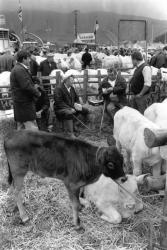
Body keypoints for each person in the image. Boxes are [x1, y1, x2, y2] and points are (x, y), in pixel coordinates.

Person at [10, 50, 41, 130]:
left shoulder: (18, 68)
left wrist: (33, 78)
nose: (30, 60)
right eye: (28, 58)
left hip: (21, 104)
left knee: (21, 131)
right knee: (32, 131)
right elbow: (26, 86)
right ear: (24, 59)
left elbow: (23, 82)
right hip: (25, 104)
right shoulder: (19, 70)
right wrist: (37, 93)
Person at [54, 72, 89, 137]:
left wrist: (77, 104)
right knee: (69, 113)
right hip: (61, 108)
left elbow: (76, 98)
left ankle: (75, 125)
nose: (73, 82)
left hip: (72, 107)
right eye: (71, 80)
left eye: (73, 80)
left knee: (85, 110)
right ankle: (71, 133)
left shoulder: (72, 88)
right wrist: (69, 108)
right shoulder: (58, 89)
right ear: (66, 80)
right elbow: (59, 102)